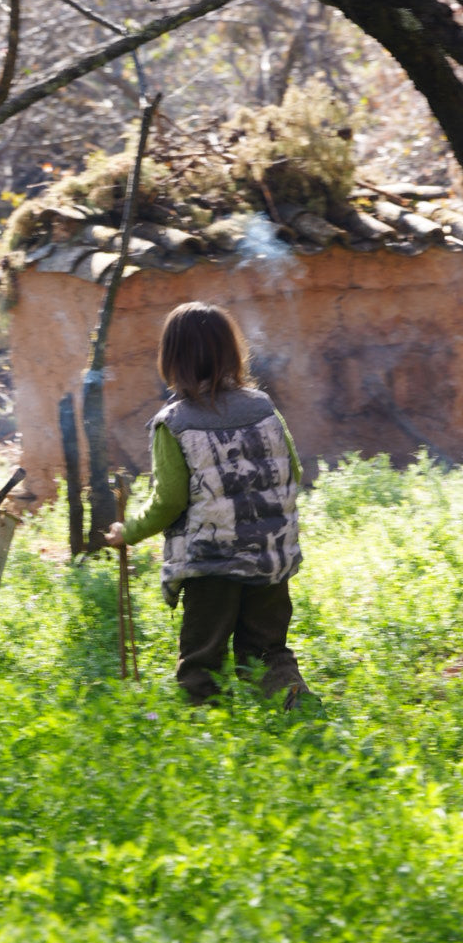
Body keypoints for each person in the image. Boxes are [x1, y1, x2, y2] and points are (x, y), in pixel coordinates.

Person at [105, 301, 310, 708]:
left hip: (212, 566)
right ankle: (298, 713)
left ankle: (205, 746)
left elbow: (169, 502)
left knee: (201, 664)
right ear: (232, 353)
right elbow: (295, 472)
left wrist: (125, 532)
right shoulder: (264, 407)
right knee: (267, 653)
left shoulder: (174, 422)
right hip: (273, 555)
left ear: (171, 360)